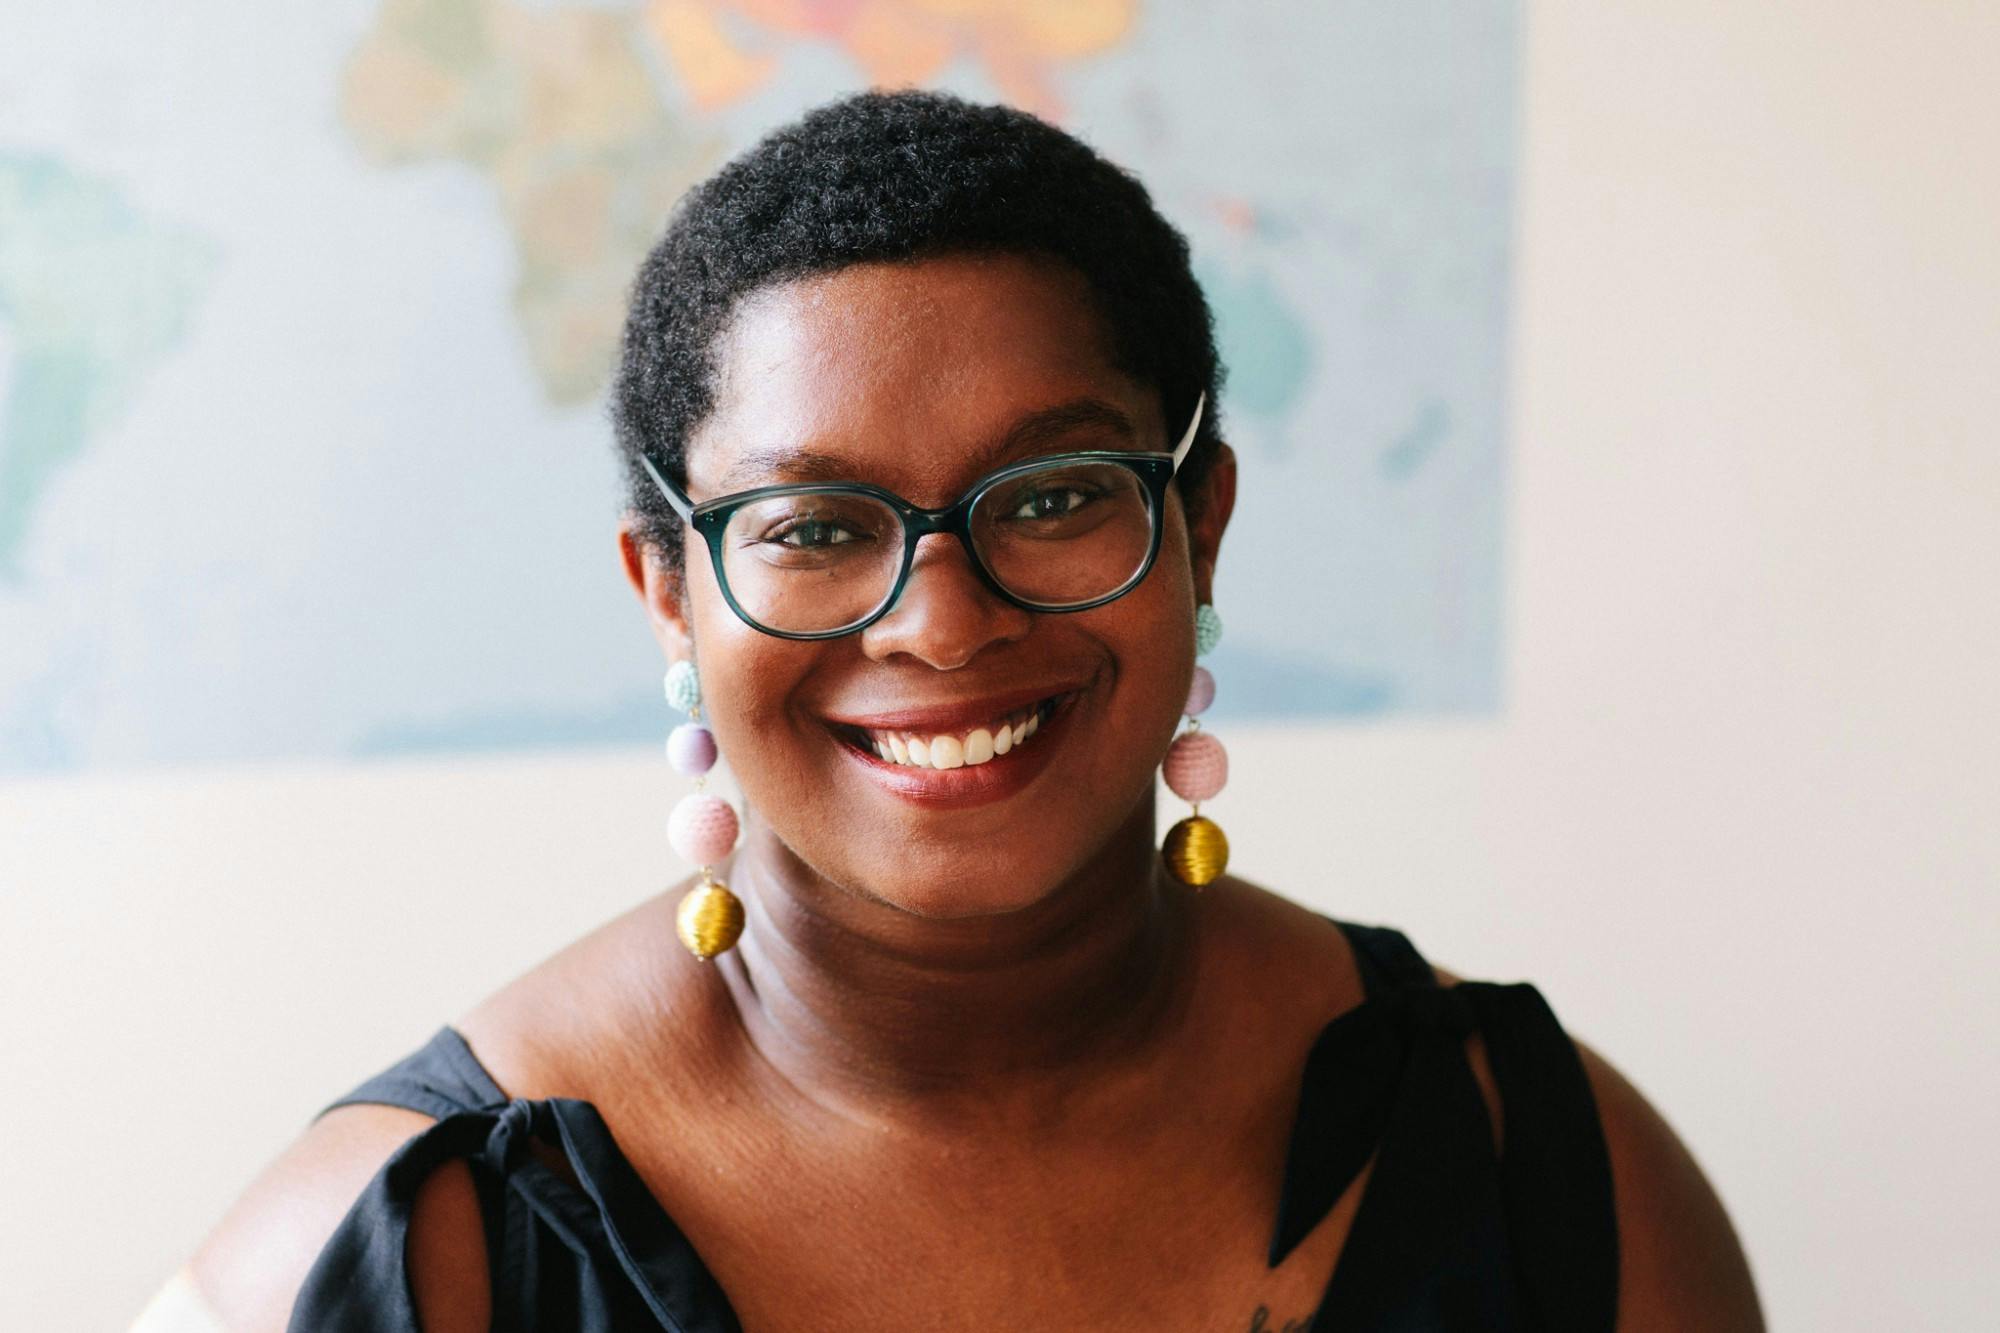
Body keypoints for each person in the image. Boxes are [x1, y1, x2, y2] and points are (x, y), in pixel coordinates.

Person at [154, 89, 1761, 1331]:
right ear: (669, 587)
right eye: (813, 526)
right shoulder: (391, 1254)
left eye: (1053, 494)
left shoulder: (1550, 1167)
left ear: (1199, 521)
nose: (941, 622)